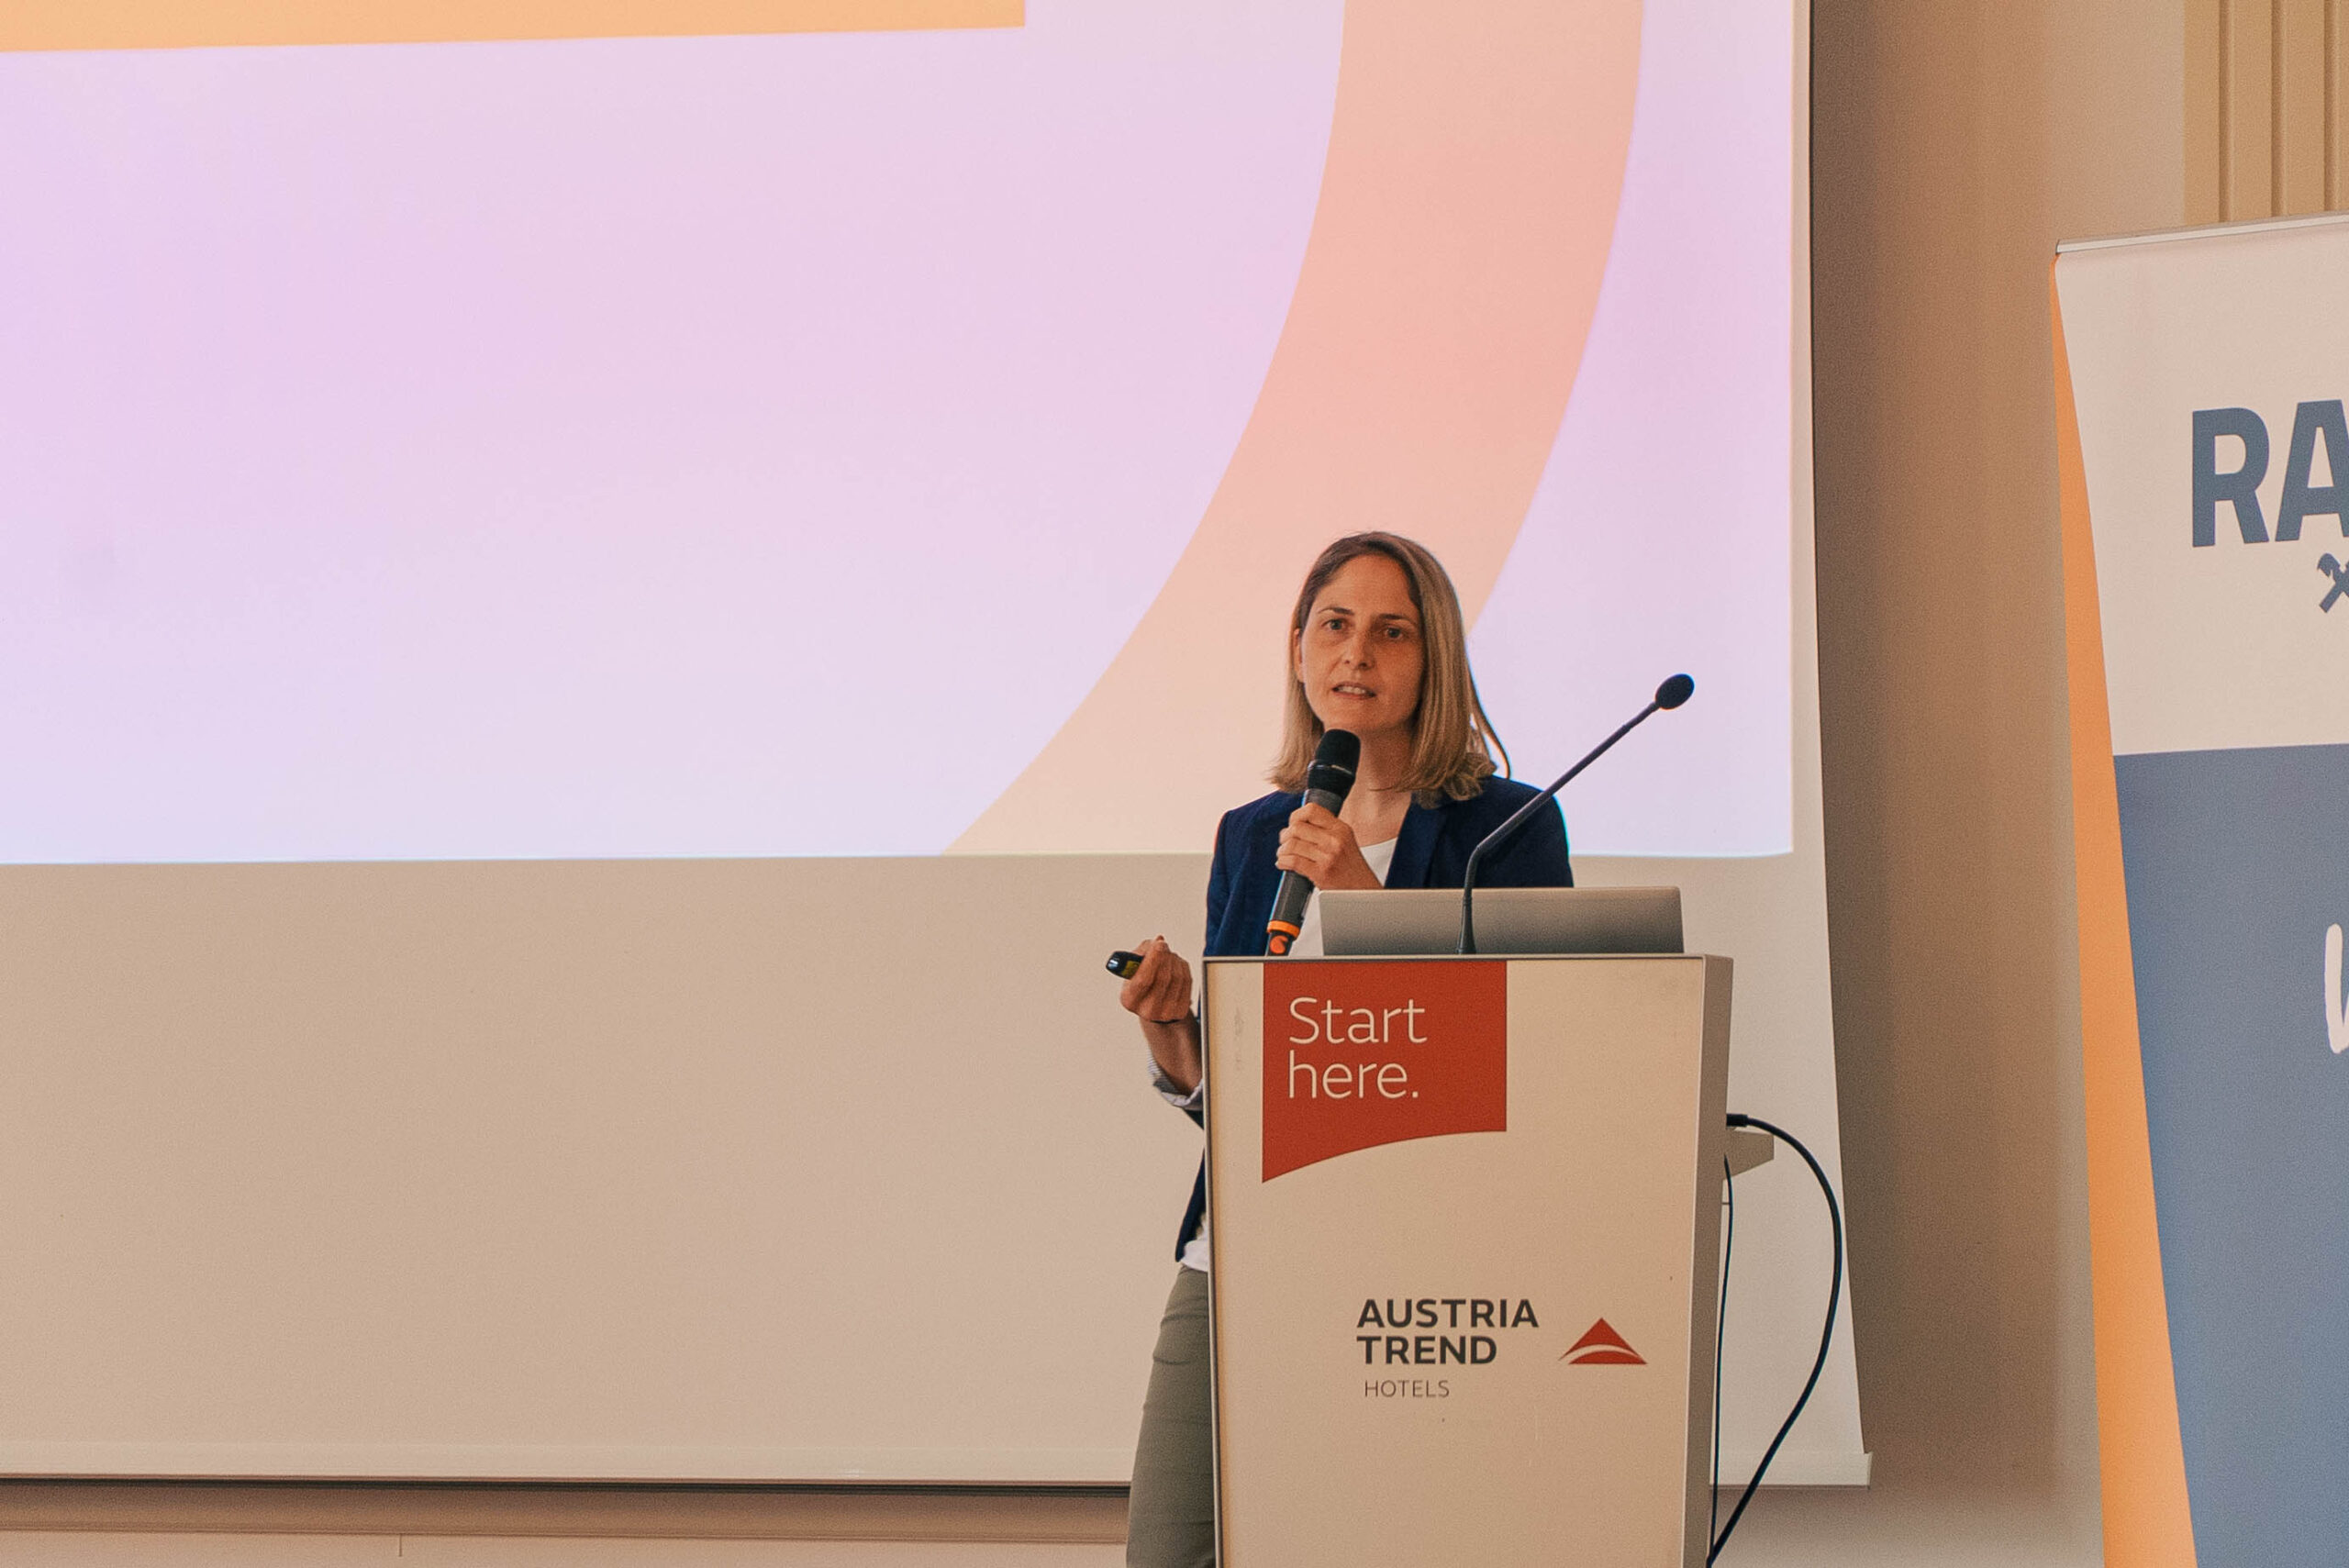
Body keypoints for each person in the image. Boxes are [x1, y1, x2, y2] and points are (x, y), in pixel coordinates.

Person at [1114, 531, 1572, 1568]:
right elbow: (1241, 1089)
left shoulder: (1509, 828)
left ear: (1433, 657)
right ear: (1297, 647)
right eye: (1334, 624)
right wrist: (1172, 1027)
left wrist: (1363, 899)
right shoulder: (1251, 832)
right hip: (1243, 1239)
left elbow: (1526, 1052)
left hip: (1423, 1262)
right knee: (1167, 1548)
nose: (1356, 653)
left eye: (1391, 631)